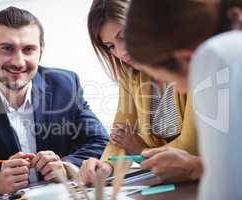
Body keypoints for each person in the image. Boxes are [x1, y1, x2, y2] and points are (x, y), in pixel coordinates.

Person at [0, 6, 109, 195]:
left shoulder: (65, 84)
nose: (19, 62)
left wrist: (66, 166)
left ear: (41, 50)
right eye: (7, 49)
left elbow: (101, 141)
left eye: (29, 49)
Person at [125, 0, 242, 199]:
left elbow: (227, 190)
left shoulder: (217, 56)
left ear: (185, 58)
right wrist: (197, 166)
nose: (176, 89)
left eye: (165, 80)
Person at [80, 0, 199, 184]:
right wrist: (106, 166)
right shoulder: (130, 75)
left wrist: (141, 150)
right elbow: (121, 136)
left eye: (124, 36)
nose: (121, 52)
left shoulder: (190, 63)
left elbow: (191, 146)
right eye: (110, 46)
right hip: (166, 180)